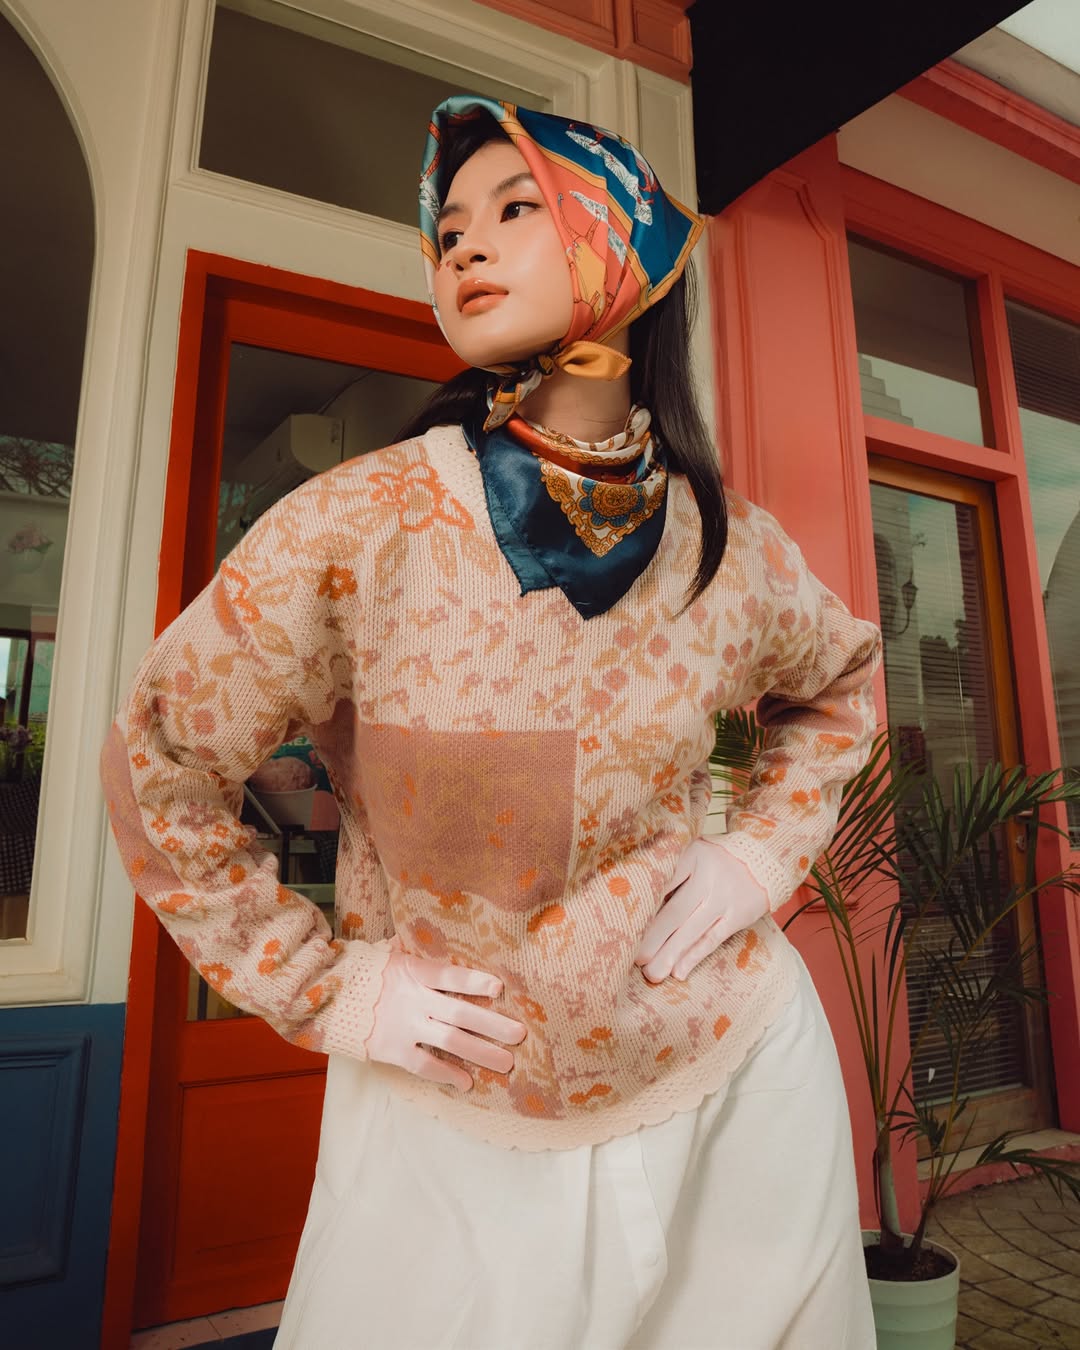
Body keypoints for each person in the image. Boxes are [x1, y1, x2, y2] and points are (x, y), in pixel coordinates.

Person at [101, 95, 881, 1349]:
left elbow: (839, 691)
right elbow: (161, 764)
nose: (463, 243)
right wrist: (327, 986)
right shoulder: (357, 525)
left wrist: (757, 853)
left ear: (630, 246)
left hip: (738, 1083)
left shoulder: (732, 548)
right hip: (448, 1118)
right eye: (449, 225)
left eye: (517, 208)